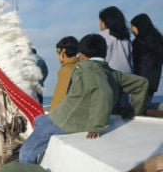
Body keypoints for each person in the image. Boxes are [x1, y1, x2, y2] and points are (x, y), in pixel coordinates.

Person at [19, 34, 148, 164]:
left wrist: (96, 126)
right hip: (71, 118)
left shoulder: (84, 68)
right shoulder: (111, 73)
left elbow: (103, 91)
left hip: (66, 121)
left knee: (25, 152)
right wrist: (133, 111)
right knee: (38, 120)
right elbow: (141, 84)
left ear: (82, 54)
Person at [130, 13, 163, 106]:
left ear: (140, 26)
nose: (131, 29)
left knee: (136, 108)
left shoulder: (138, 43)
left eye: (133, 26)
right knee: (145, 105)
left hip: (139, 81)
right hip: (153, 82)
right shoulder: (158, 41)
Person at [99, 6, 133, 73]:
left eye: (100, 21)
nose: (99, 24)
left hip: (111, 74)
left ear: (106, 22)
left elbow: (103, 59)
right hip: (127, 74)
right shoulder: (126, 37)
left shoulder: (104, 35)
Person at [50, 36, 79, 111]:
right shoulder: (79, 67)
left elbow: (59, 97)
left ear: (63, 52)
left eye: (57, 52)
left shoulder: (66, 70)